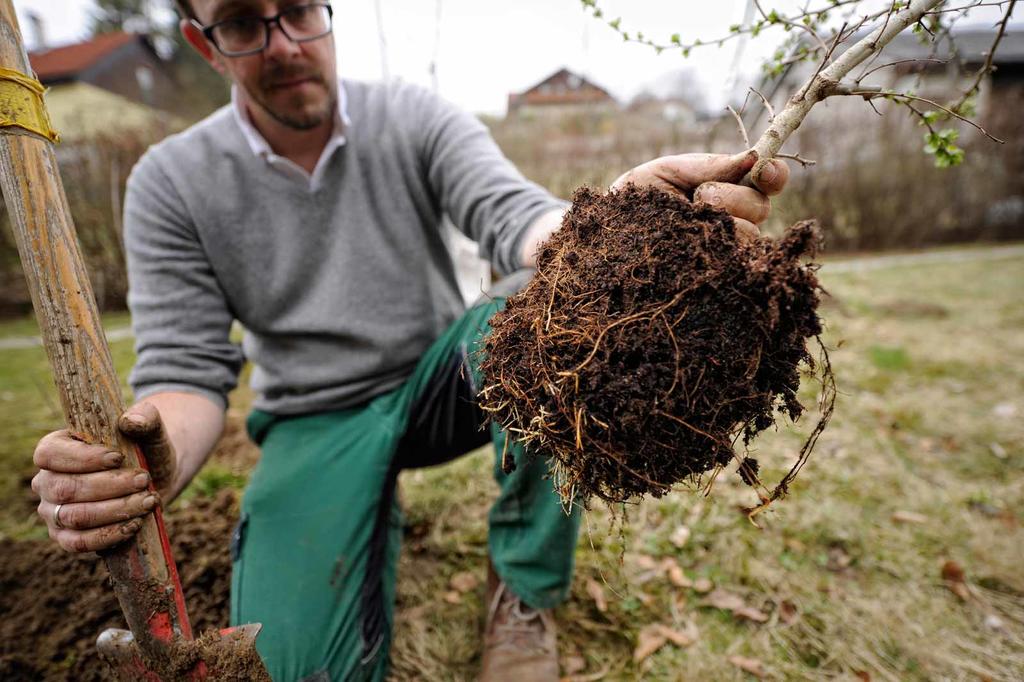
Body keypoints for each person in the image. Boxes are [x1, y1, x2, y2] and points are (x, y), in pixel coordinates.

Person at [29, 1, 789, 680]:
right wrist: (150, 460)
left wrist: (604, 237)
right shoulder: (171, 181)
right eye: (241, 21)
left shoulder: (413, 117)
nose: (284, 42)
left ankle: (523, 590)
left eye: (298, 10)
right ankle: (352, 508)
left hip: (441, 387)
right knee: (291, 669)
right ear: (205, 44)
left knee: (546, 311)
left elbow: (511, 214)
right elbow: (185, 372)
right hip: (312, 424)